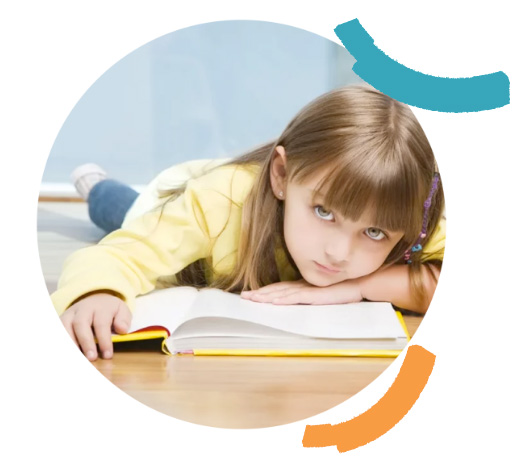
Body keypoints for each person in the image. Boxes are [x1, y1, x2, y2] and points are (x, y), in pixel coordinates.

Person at [52, 85, 445, 361]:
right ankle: (97, 186)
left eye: (374, 233)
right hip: (176, 195)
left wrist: (358, 286)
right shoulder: (217, 202)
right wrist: (96, 293)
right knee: (120, 210)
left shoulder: (409, 209)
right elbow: (124, 254)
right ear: (282, 175)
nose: (338, 253)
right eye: (324, 212)